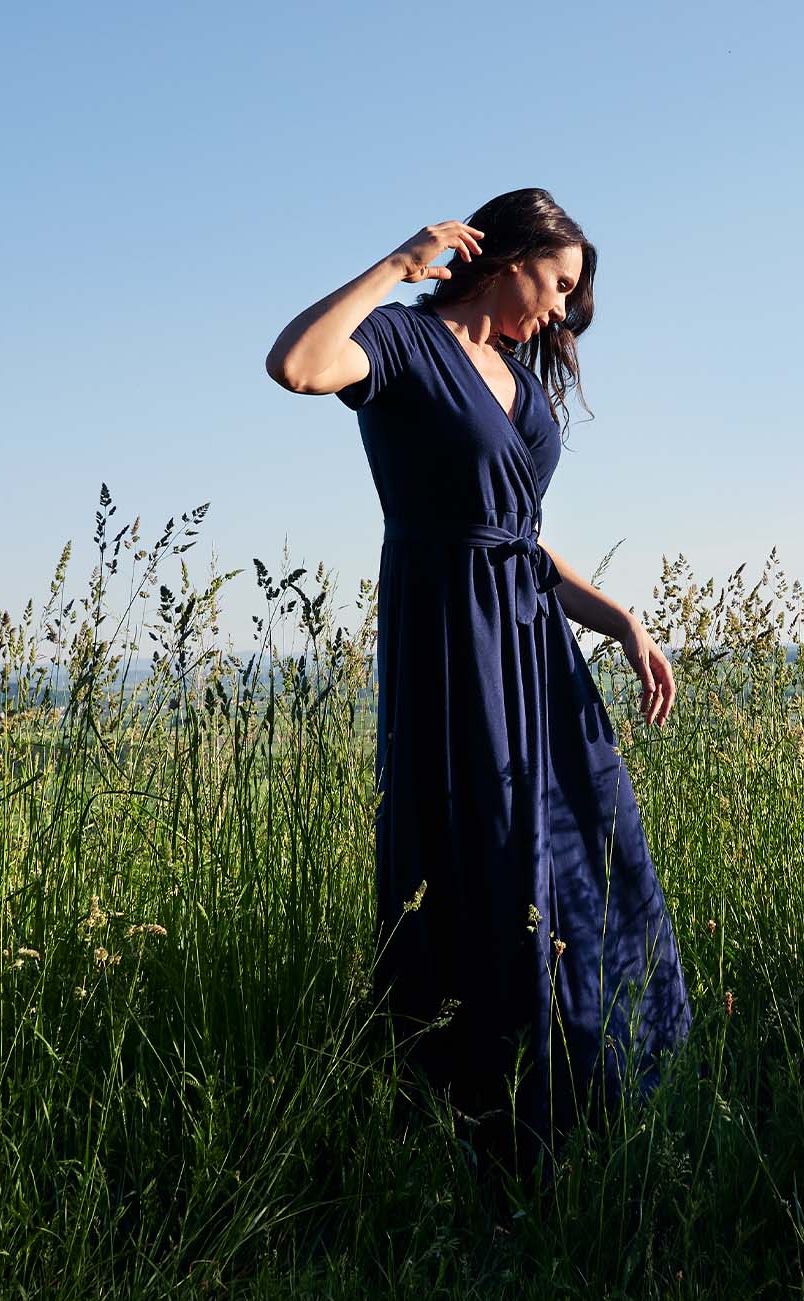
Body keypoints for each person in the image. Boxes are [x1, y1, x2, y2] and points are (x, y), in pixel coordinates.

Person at [264, 188, 694, 1184]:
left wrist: (619, 619)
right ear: (505, 259)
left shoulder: (514, 373)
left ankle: (598, 1091)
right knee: (483, 861)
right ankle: (483, 1116)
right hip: (453, 638)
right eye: (557, 283)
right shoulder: (403, 344)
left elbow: (523, 535)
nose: (562, 309)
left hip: (534, 641)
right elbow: (294, 365)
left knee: (588, 843)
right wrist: (393, 263)